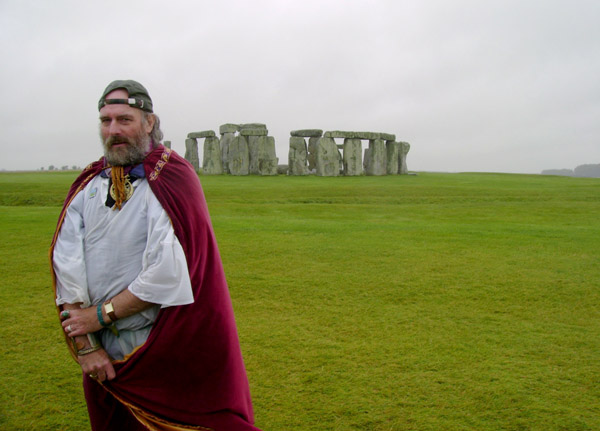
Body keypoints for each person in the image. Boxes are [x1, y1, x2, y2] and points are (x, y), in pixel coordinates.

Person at [50, 80, 261, 431]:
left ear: (149, 122)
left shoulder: (169, 178)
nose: (113, 130)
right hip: (101, 350)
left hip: (160, 342)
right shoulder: (87, 186)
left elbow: (166, 273)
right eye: (106, 121)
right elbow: (67, 268)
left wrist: (99, 316)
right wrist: (87, 346)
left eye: (124, 119)